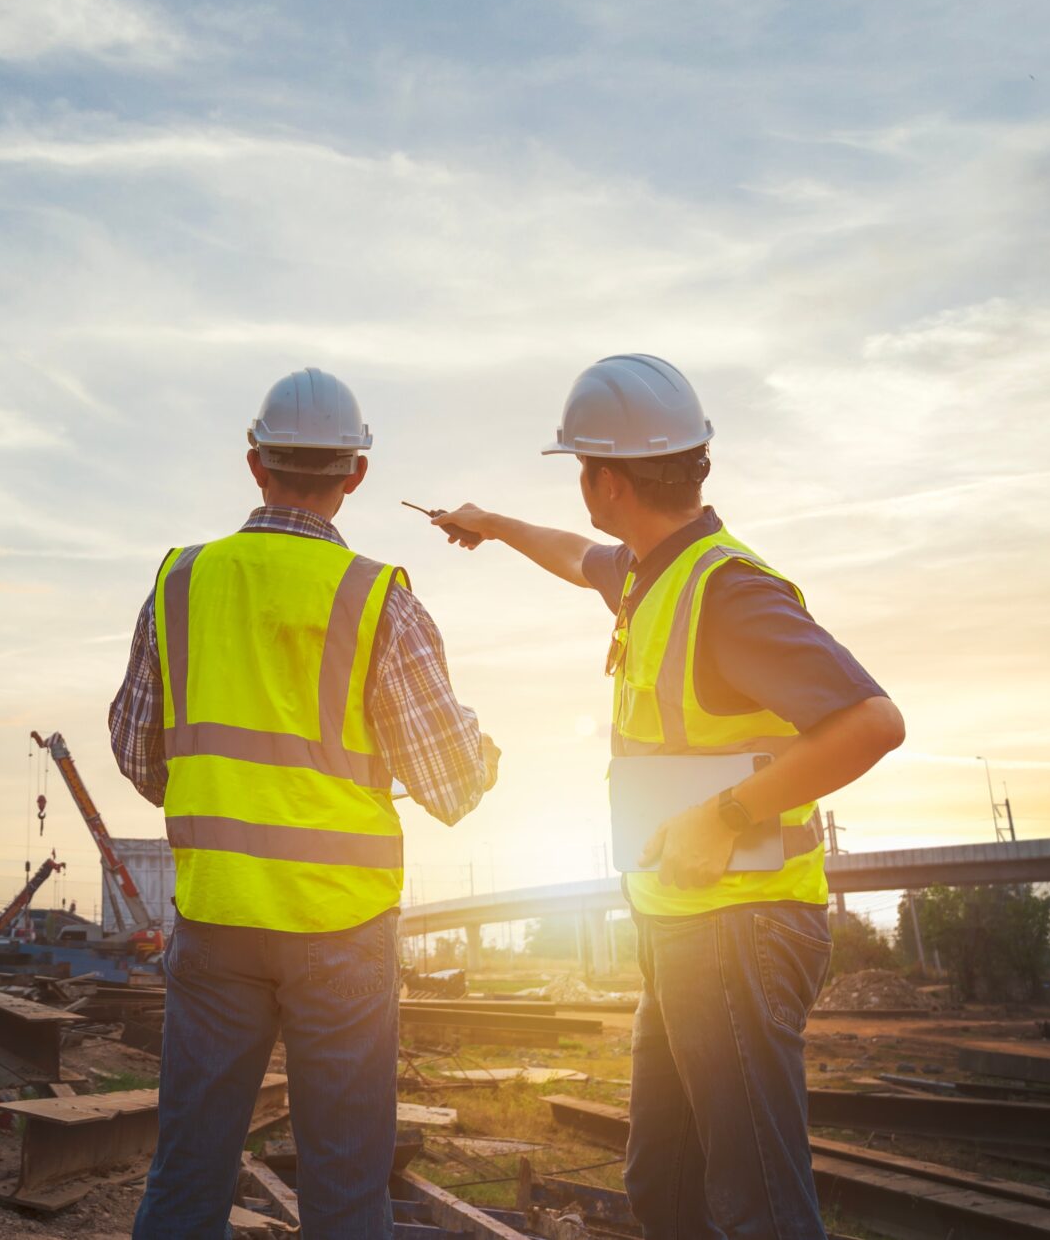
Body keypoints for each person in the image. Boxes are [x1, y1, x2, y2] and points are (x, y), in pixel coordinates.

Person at [430, 355, 904, 1240]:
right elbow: (576, 557)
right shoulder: (651, 572)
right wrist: (490, 524)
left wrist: (728, 814)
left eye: (580, 466)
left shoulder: (726, 591)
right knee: (668, 1188)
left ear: (605, 481)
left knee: (757, 1204)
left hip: (742, 928)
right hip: (683, 928)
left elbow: (873, 722)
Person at [113, 367, 500, 1239]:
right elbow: (452, 785)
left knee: (185, 1181)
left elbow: (138, 749)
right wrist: (482, 744)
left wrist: (223, 800)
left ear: (255, 463)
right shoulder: (375, 598)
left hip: (217, 922)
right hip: (343, 931)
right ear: (354, 475)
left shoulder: (182, 583)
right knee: (347, 1196)